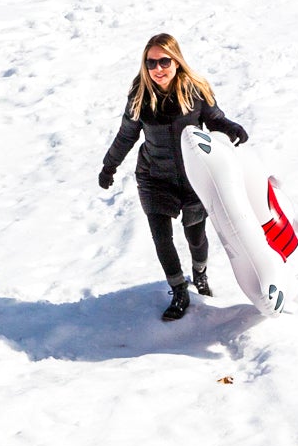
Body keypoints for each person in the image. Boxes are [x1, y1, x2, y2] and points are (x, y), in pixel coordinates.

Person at [97, 34, 249, 322]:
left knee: (196, 236)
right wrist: (109, 167)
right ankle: (179, 290)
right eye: (151, 62)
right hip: (154, 177)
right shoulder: (140, 97)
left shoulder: (195, 91)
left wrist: (230, 127)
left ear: (176, 61)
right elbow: (126, 136)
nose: (158, 68)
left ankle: (200, 274)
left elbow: (214, 118)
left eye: (164, 61)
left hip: (193, 178)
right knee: (162, 237)